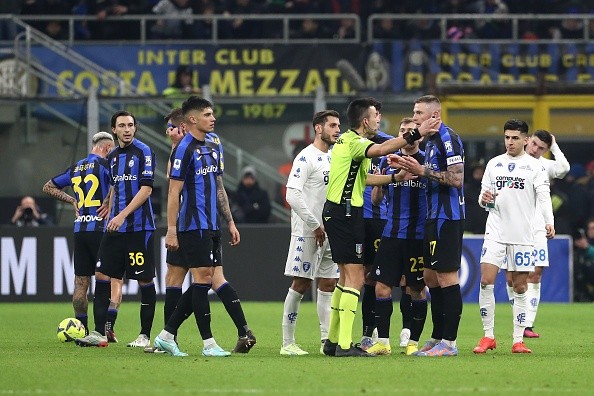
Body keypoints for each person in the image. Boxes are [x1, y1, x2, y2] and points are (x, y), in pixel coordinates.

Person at [322, 96, 439, 357]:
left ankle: (332, 341)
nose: (379, 119)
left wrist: (395, 177)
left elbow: (365, 179)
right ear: (365, 121)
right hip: (346, 214)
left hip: (338, 212)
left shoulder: (348, 142)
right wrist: (417, 132)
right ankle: (343, 346)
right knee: (355, 278)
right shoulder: (356, 143)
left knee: (344, 278)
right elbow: (381, 150)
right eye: (376, 115)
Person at [145, 107, 256, 354]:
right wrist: (172, 229)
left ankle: (168, 336)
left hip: (204, 224)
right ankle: (183, 339)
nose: (172, 132)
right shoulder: (183, 149)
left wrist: (229, 221)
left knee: (204, 279)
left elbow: (216, 185)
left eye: (174, 127)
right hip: (190, 224)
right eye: (209, 115)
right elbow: (175, 188)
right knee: (191, 278)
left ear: (185, 124)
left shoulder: (210, 146)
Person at [75, 110, 158, 348]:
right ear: (114, 130)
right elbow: (114, 185)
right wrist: (109, 203)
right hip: (114, 228)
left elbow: (146, 190)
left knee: (144, 280)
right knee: (102, 275)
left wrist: (121, 215)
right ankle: (99, 333)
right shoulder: (111, 157)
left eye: (131, 125)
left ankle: (144, 335)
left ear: (135, 128)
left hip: (138, 228)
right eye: (122, 125)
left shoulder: (144, 152)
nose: (127, 129)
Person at [472, 119, 555, 355]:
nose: (510, 142)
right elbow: (482, 198)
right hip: (495, 232)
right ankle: (488, 336)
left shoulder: (535, 167)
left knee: (520, 287)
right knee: (486, 281)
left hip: (522, 235)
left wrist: (549, 221)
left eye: (515, 138)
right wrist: (485, 200)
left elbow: (543, 196)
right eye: (507, 137)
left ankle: (518, 340)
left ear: (525, 140)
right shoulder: (494, 164)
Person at [391, 94, 465, 357]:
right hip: (431, 218)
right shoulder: (430, 141)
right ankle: (436, 337)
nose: (415, 118)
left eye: (419, 113)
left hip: (448, 217)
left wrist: (422, 171)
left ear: (435, 115)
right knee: (431, 277)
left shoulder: (448, 139)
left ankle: (450, 342)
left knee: (446, 277)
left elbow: (456, 180)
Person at [42, 131, 120, 334]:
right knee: (110, 280)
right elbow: (121, 184)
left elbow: (48, 187)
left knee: (80, 282)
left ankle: (81, 329)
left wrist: (71, 200)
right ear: (107, 148)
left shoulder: (76, 167)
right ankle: (103, 329)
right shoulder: (106, 165)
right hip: (102, 229)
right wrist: (109, 200)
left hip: (80, 229)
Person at [280, 110, 341, 356]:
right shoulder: (305, 158)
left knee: (328, 284)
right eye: (333, 125)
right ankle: (287, 343)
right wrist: (315, 225)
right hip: (308, 230)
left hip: (331, 231)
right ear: (318, 128)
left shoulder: (336, 155)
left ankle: (326, 341)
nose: (337, 130)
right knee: (302, 283)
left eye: (339, 125)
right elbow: (291, 195)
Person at [366, 117, 428, 356]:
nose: (404, 135)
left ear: (419, 136)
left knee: (416, 289)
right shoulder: (386, 161)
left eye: (409, 131)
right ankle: (383, 342)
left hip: (417, 236)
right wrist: (381, 184)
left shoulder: (426, 163)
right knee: (381, 287)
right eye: (401, 131)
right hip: (390, 233)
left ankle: (413, 342)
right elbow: (375, 200)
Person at [505, 130, 569, 338]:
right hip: (513, 225)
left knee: (536, 273)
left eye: (541, 148)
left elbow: (564, 168)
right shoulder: (508, 161)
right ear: (528, 140)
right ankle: (519, 317)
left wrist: (555, 146)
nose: (535, 150)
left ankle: (527, 324)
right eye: (534, 144)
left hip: (538, 227)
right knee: (510, 277)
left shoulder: (545, 166)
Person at [360, 122, 392, 351]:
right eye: (373, 114)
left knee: (401, 281)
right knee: (365, 277)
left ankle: (406, 333)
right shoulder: (350, 143)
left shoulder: (389, 144)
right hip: (360, 220)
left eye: (378, 114)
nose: (376, 119)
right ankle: (366, 333)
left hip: (385, 221)